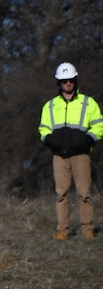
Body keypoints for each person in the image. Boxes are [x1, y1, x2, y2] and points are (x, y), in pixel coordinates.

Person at [39, 62, 103, 240]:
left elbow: (99, 125)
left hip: (81, 155)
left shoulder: (88, 103)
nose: (68, 83)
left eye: (70, 80)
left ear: (75, 81)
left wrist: (88, 140)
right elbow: (43, 129)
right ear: (59, 83)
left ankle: (87, 229)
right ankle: (63, 230)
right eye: (64, 81)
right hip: (59, 156)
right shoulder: (50, 106)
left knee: (84, 194)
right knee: (61, 194)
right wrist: (51, 141)